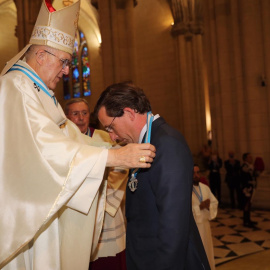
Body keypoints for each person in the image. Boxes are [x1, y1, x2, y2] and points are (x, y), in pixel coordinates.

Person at [0, 2, 155, 269]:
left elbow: (71, 139)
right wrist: (111, 156)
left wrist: (113, 158)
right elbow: (44, 148)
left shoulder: (39, 92)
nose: (67, 71)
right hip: (31, 213)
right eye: (64, 62)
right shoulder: (16, 87)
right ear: (41, 56)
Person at [94, 82, 210, 270]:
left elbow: (173, 226)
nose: (112, 137)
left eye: (110, 127)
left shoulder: (167, 144)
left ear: (129, 113)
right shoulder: (143, 143)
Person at [65, 98, 128, 270]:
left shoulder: (106, 137)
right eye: (75, 114)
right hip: (74, 212)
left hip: (106, 209)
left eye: (84, 113)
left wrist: (98, 189)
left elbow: (122, 167)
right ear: (66, 116)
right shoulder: (61, 142)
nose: (81, 118)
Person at [192, 164, 218, 270]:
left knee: (207, 251)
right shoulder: (185, 190)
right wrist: (199, 207)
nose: (196, 175)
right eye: (193, 173)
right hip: (195, 228)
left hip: (205, 226)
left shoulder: (205, 188)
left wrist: (208, 206)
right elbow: (184, 211)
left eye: (198, 172)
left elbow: (215, 202)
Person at [240, 153, 257, 228]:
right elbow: (245, 177)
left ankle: (248, 219)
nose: (251, 158)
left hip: (250, 187)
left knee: (249, 203)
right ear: (245, 159)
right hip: (246, 188)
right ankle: (246, 221)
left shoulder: (250, 166)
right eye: (249, 157)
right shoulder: (245, 166)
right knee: (246, 203)